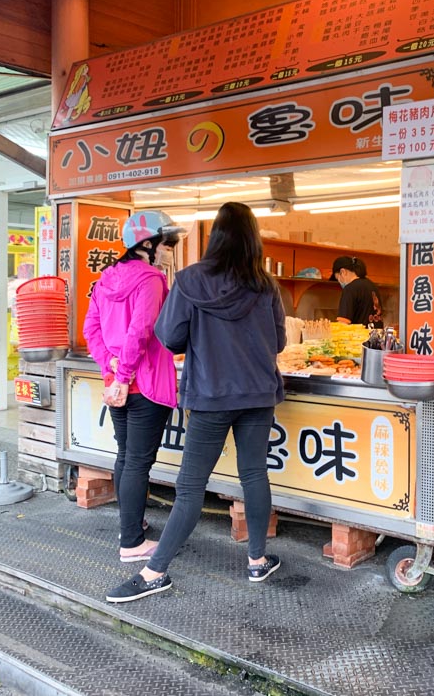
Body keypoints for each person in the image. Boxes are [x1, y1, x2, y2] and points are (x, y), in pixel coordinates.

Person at [106, 202, 286, 603]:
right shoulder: (265, 285)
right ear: (253, 239)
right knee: (254, 474)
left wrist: (204, 338)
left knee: (190, 487)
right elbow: (279, 342)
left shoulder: (189, 280)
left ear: (215, 237)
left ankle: (154, 572)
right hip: (257, 393)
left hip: (209, 393)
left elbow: (169, 336)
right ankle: (257, 561)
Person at [83, 210, 184, 563]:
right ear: (148, 244)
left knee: (125, 457)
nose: (169, 251)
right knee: (138, 463)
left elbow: (91, 330)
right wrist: (124, 374)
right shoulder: (151, 280)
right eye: (167, 243)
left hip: (117, 385)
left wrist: (110, 368)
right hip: (145, 385)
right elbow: (141, 332)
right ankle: (131, 543)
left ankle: (132, 524)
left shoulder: (106, 277)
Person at [330, 255, 384, 327]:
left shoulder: (350, 289)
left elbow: (343, 323)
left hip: (359, 337)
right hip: (377, 336)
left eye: (338, 278)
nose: (339, 282)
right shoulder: (373, 286)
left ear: (343, 272)